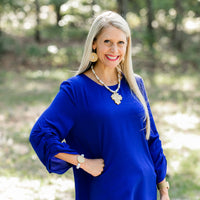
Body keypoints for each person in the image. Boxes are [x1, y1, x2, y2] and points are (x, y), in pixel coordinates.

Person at [29, 11, 170, 200]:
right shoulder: (76, 89)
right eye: (107, 42)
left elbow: (151, 137)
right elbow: (41, 133)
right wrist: (82, 162)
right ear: (94, 43)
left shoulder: (135, 84)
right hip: (105, 190)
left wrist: (163, 188)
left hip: (143, 189)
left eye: (121, 43)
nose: (115, 50)